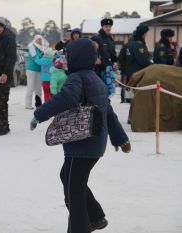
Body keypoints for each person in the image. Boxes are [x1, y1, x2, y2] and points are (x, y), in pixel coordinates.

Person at [30, 38, 131, 233]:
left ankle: (80, 228)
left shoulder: (77, 78)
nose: (66, 58)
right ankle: (96, 217)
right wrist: (120, 138)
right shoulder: (95, 79)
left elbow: (66, 98)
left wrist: (39, 114)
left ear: (77, 57)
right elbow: (108, 112)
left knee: (73, 190)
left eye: (69, 55)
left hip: (82, 142)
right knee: (68, 177)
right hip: (93, 143)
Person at [25, 35, 47, 109]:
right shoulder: (32, 46)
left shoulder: (42, 48)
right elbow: (35, 58)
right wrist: (44, 59)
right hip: (31, 69)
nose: (39, 41)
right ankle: (28, 104)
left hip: (39, 69)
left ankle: (38, 103)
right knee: (30, 87)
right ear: (35, 40)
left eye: (40, 39)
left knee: (38, 88)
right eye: (38, 39)